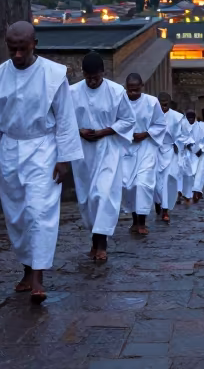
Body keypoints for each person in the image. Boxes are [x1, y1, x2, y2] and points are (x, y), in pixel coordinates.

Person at [0, 21, 80, 303]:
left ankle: (38, 277)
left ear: (34, 43)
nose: (17, 55)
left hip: (43, 148)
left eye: (22, 48)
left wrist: (63, 158)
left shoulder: (54, 75)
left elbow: (66, 119)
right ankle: (26, 267)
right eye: (12, 49)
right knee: (17, 214)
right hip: (9, 148)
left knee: (39, 211)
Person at [69, 52, 135, 262]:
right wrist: (79, 132)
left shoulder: (116, 92)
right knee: (88, 198)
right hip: (83, 152)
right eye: (88, 77)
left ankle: (102, 244)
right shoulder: (72, 92)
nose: (92, 81)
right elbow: (64, 119)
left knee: (103, 194)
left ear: (103, 73)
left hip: (108, 149)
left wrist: (104, 131)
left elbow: (127, 120)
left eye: (95, 77)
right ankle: (94, 240)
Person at [121, 73, 169, 236]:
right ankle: (134, 220)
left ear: (142, 87)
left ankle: (142, 222)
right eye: (130, 90)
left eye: (136, 90)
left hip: (146, 148)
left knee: (143, 184)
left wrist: (146, 134)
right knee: (129, 186)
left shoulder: (151, 102)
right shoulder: (120, 101)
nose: (133, 94)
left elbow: (160, 124)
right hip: (127, 148)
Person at [155, 93, 187, 222]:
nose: (163, 106)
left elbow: (183, 135)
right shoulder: (152, 115)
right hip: (155, 150)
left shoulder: (177, 117)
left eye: (165, 103)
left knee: (168, 179)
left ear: (169, 102)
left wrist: (177, 145)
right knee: (156, 182)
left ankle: (165, 209)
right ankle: (157, 201)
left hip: (170, 150)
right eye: (161, 103)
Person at [182, 111, 204, 203]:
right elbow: (181, 138)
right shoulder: (183, 126)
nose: (190, 120)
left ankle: (197, 192)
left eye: (192, 118)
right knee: (189, 174)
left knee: (200, 174)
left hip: (200, 154)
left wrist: (201, 149)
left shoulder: (203, 127)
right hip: (188, 154)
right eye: (188, 118)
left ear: (195, 117)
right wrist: (189, 146)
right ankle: (187, 193)